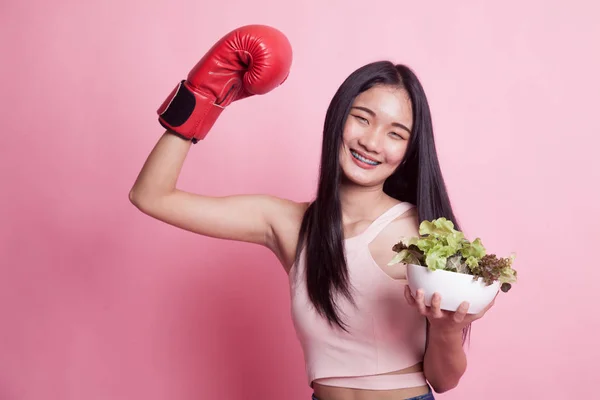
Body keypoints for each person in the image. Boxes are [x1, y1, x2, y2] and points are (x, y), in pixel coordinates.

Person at [129, 24, 495, 400]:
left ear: (407, 153)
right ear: (338, 118)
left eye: (395, 133)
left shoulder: (426, 233)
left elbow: (445, 380)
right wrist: (203, 97)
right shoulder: (287, 224)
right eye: (362, 118)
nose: (371, 142)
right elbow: (151, 195)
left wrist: (448, 329)